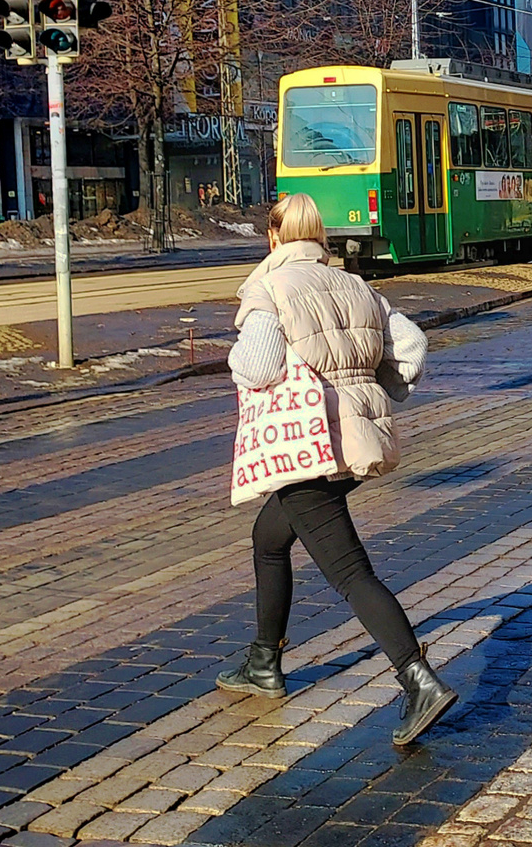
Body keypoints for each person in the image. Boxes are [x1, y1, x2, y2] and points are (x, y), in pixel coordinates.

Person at [216, 193, 458, 746]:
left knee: (350, 573)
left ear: (274, 237)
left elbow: (257, 366)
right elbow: (412, 345)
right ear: (320, 237)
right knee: (268, 537)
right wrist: (382, 387)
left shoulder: (269, 286)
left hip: (307, 448)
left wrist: (231, 359)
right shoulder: (356, 285)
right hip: (353, 444)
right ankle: (262, 663)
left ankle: (417, 680)